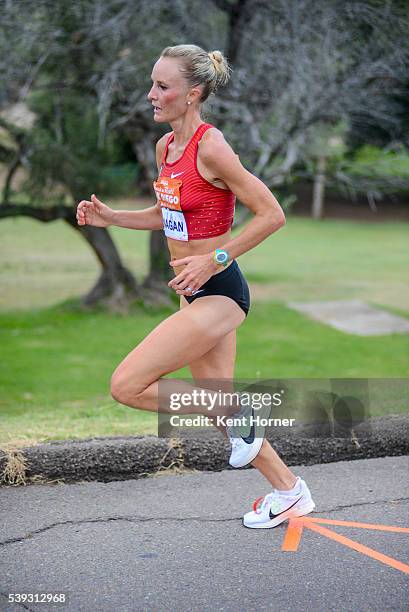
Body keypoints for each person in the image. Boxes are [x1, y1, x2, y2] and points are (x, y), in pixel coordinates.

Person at [76, 44, 315, 528]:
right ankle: (290, 491)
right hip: (193, 291)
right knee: (222, 412)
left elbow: (272, 214)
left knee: (127, 385)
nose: (151, 95)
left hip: (222, 291)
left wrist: (214, 259)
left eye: (163, 86)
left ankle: (241, 413)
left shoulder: (212, 146)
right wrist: (111, 217)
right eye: (153, 83)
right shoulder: (167, 148)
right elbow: (168, 214)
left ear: (193, 94)